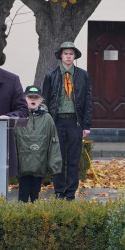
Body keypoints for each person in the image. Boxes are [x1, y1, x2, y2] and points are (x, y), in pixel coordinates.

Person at [41, 41, 92, 200]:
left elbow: (88, 100)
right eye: (65, 53)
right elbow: (46, 101)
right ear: (61, 56)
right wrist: (47, 123)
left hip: (75, 122)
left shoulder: (83, 75)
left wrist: (86, 124)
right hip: (57, 122)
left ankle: (70, 192)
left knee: (74, 159)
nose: (68, 56)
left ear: (74, 56)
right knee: (58, 159)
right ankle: (59, 191)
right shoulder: (51, 76)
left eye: (71, 53)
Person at [15, 85, 63, 202]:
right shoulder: (18, 117)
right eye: (29, 97)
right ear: (24, 99)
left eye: (36, 98)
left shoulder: (47, 119)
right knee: (22, 196)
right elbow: (13, 141)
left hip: (39, 164)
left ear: (41, 100)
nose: (33, 99)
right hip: (22, 166)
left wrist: (55, 165)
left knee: (35, 197)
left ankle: (34, 217)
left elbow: (54, 142)